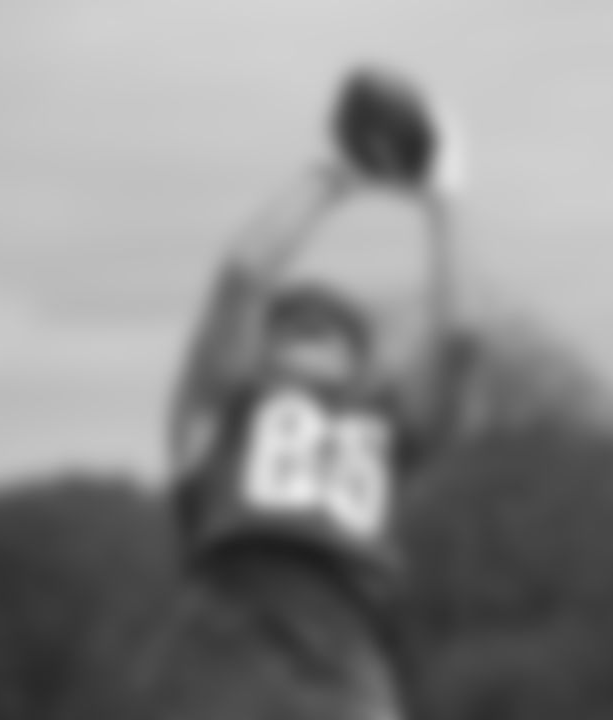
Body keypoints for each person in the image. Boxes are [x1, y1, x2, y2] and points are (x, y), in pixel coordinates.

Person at [162, 67, 462, 720]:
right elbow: (243, 278)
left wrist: (444, 209)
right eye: (290, 322)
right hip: (234, 637)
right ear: (260, 348)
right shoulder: (225, 407)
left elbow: (452, 336)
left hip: (347, 645)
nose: (309, 325)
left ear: (360, 366)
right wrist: (335, 178)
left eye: (330, 327)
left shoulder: (385, 432)